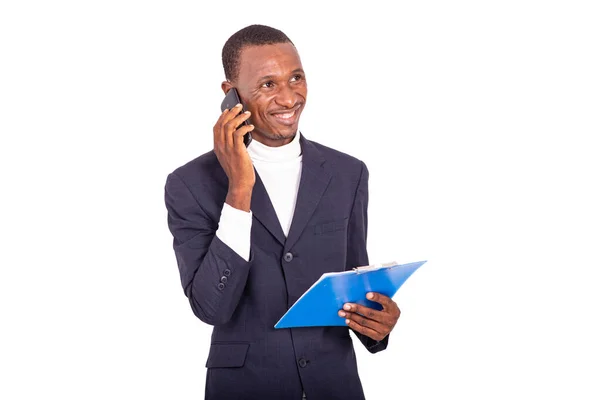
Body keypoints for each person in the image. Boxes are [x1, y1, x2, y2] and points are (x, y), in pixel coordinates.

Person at [164, 24, 401, 400]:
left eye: (296, 78)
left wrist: (378, 323)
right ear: (231, 94)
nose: (290, 98)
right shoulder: (190, 184)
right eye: (268, 84)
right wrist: (239, 188)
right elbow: (211, 306)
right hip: (246, 387)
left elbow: (355, 283)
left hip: (334, 385)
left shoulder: (348, 173)